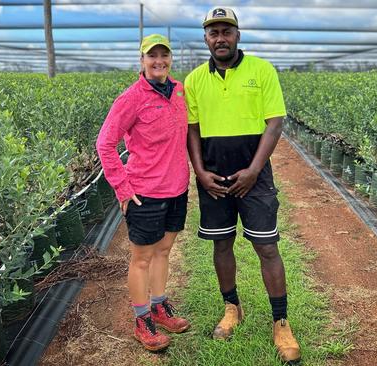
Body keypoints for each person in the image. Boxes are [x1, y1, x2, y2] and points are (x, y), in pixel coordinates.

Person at [184, 7, 300, 363]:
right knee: (222, 244)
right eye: (213, 32)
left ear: (238, 35)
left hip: (256, 177)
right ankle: (232, 308)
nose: (220, 38)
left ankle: (280, 321)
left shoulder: (262, 71)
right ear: (206, 38)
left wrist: (253, 170)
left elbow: (274, 123)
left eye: (226, 31)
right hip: (214, 179)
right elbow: (192, 130)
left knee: (267, 248)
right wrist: (200, 173)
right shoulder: (193, 81)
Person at [96, 33, 190, 352]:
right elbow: (105, 144)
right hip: (144, 192)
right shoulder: (131, 98)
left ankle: (160, 306)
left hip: (177, 189)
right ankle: (142, 319)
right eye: (152, 56)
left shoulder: (179, 91)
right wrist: (122, 186)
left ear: (170, 59)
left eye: (164, 55)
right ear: (142, 60)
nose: (158, 61)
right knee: (141, 258)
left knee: (164, 251)